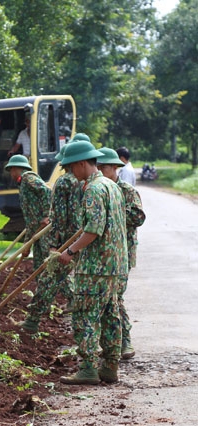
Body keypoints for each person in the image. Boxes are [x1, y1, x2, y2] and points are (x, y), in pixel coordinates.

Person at [57, 141, 128, 385]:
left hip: (95, 267)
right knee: (111, 315)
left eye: (71, 168)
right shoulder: (113, 186)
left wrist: (70, 251)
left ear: (81, 163)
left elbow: (94, 230)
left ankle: (87, 368)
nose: (71, 174)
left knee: (85, 316)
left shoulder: (93, 190)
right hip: (115, 267)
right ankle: (110, 367)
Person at [19, 135, 88, 333]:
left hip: (68, 241)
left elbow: (58, 218)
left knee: (49, 278)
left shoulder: (64, 182)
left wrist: (54, 245)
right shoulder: (94, 181)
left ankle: (32, 322)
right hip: (87, 240)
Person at [97, 147, 146, 360]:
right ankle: (111, 343)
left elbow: (139, 217)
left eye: (104, 167)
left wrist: (114, 212)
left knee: (115, 296)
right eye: (98, 167)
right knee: (106, 298)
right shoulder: (97, 189)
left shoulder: (126, 190)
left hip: (122, 252)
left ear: (116, 168)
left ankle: (124, 341)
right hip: (102, 253)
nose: (100, 171)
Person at [4, 154, 51, 272]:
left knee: (48, 261)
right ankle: (42, 288)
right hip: (37, 229)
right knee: (39, 265)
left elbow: (46, 191)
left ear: (15, 168)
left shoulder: (28, 178)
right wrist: (26, 245)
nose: (11, 174)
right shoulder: (23, 184)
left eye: (11, 170)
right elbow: (30, 222)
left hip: (44, 229)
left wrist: (47, 215)